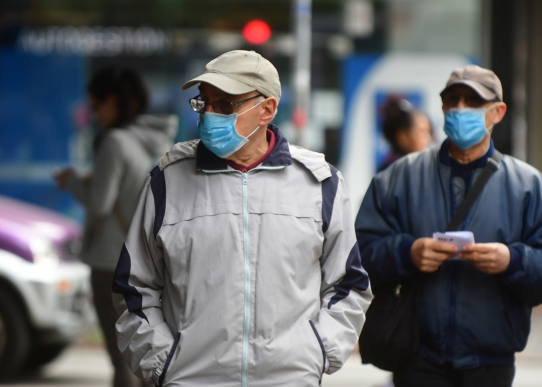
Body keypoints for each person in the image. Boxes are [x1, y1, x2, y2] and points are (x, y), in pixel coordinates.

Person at [111, 50, 372, 387]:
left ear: (267, 110)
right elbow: (133, 286)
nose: (209, 116)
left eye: (225, 105)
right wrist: (164, 362)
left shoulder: (320, 183)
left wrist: (319, 352)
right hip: (191, 380)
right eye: (204, 103)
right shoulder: (167, 181)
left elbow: (348, 284)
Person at [355, 65, 542, 387]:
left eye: (473, 102)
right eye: (453, 99)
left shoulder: (529, 187)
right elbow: (358, 254)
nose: (461, 109)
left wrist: (512, 261)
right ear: (442, 107)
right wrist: (407, 252)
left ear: (497, 112)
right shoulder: (398, 179)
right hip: (417, 358)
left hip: (490, 364)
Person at [55, 66, 177, 387]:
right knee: (145, 351)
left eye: (95, 106)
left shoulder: (115, 142)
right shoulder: (156, 143)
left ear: (111, 101)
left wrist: (71, 183)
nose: (95, 114)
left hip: (111, 263)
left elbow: (100, 204)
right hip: (149, 263)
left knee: (120, 355)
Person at [379, 96, 432, 171]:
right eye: (422, 131)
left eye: (429, 132)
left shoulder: (424, 168)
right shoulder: (391, 173)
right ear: (403, 137)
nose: (428, 138)